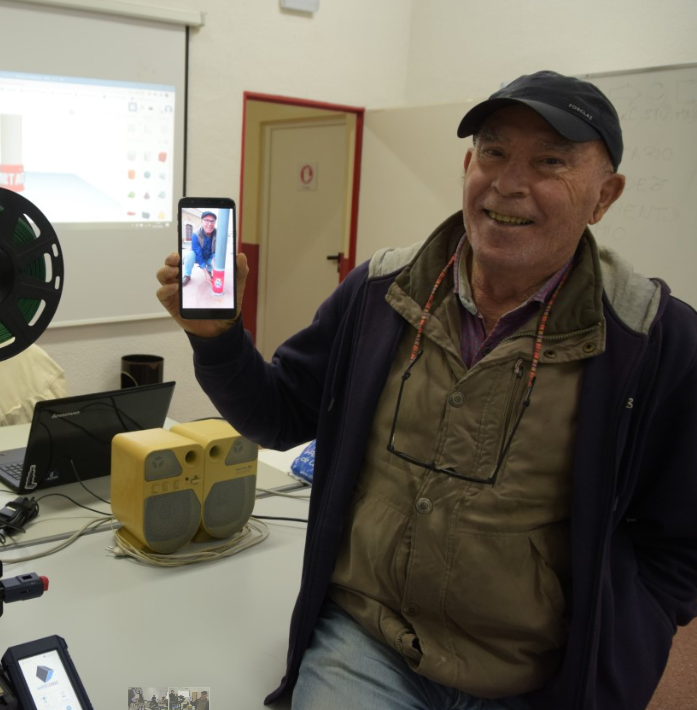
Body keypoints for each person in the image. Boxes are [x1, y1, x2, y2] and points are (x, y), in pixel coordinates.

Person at [156, 71, 697, 710]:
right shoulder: (379, 293)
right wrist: (217, 337)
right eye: (493, 153)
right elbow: (277, 416)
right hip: (369, 644)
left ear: (605, 195)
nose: (509, 183)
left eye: (550, 161)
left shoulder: (654, 339)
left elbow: (679, 546)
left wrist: (628, 647)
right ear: (468, 164)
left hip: (534, 675)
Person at [181, 211, 216, 286]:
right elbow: (198, 254)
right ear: (201, 221)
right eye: (206, 220)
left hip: (209, 257)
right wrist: (205, 272)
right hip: (198, 257)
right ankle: (187, 275)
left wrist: (214, 259)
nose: (210, 224)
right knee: (189, 255)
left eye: (212, 221)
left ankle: (209, 271)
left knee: (217, 260)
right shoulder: (195, 235)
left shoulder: (217, 234)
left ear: (215, 223)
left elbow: (216, 251)